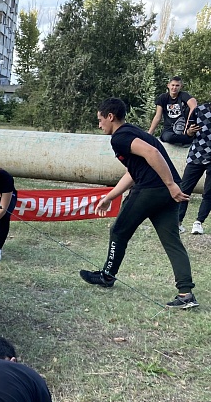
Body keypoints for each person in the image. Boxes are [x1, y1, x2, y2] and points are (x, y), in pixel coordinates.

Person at [80, 98, 198, 309]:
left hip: (153, 189)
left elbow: (152, 153)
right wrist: (109, 197)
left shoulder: (120, 137)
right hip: (164, 190)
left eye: (100, 120)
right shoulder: (133, 131)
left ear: (110, 117)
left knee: (119, 231)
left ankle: (107, 276)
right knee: (171, 241)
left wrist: (170, 184)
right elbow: (133, 173)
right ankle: (186, 293)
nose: (99, 125)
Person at [178, 102, 211, 234]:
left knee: (209, 192)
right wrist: (190, 132)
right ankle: (178, 222)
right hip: (197, 154)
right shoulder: (199, 110)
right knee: (184, 189)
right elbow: (188, 133)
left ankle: (198, 223)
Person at [147, 76, 198, 146]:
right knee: (168, 137)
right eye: (173, 85)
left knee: (191, 110)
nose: (174, 88)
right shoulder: (163, 98)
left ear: (181, 86)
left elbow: (194, 105)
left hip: (183, 127)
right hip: (169, 129)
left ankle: (186, 138)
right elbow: (158, 117)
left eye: (177, 85)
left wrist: (187, 127)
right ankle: (186, 139)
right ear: (168, 85)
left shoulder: (183, 95)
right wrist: (149, 134)